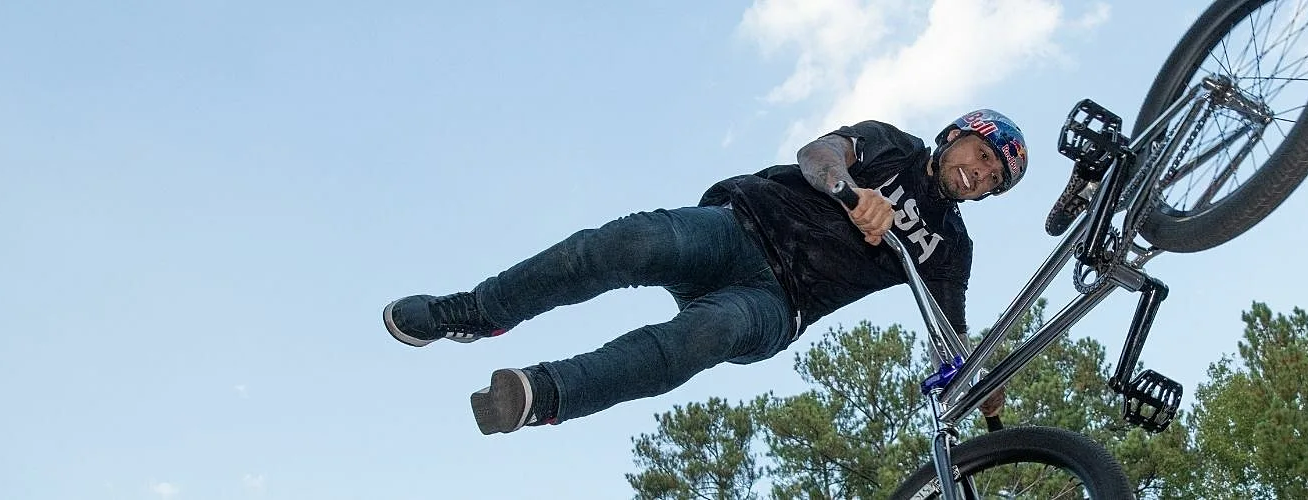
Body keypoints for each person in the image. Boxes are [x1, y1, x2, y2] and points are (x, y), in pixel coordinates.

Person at [382, 110, 1028, 435]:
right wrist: (851, 192)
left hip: (777, 303)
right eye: (979, 154)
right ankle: (474, 312)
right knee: (623, 244)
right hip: (738, 227)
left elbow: (950, 334)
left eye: (992, 177)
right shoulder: (891, 144)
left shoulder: (949, 249)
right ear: (953, 137)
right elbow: (818, 154)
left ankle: (540, 396)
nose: (978, 173)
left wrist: (980, 380)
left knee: (701, 338)